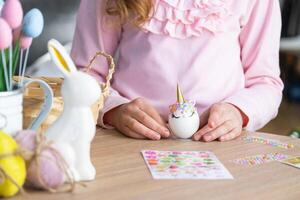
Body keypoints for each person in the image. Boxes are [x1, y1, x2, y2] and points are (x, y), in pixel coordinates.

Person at [71, 0, 283, 142]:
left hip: (221, 143)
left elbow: (266, 83)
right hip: (130, 140)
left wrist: (238, 111)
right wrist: (114, 110)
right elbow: (84, 75)